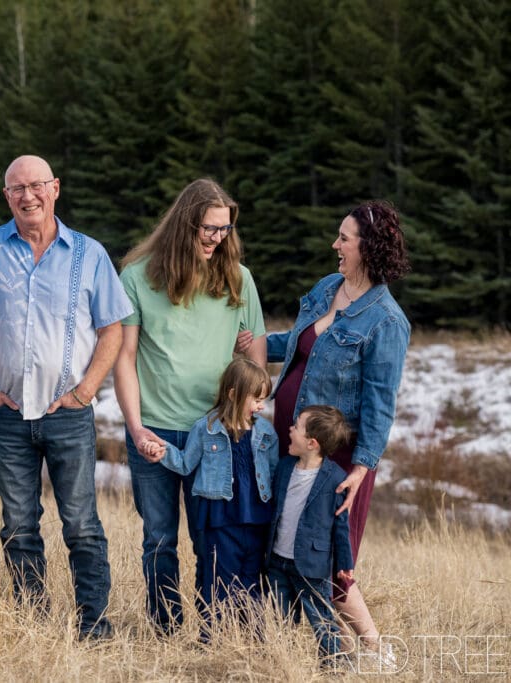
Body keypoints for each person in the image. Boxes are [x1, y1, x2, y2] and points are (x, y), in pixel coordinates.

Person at [0, 154, 134, 640]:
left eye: (37, 185)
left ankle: (93, 622)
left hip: (68, 413)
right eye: (17, 189)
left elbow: (112, 330)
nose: (28, 196)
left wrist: (86, 391)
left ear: (55, 188)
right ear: (6, 196)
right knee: (18, 524)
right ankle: (33, 620)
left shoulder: (89, 253)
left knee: (81, 523)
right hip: (8, 413)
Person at [113, 178, 267, 634]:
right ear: (185, 224)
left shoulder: (238, 278)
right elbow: (124, 357)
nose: (217, 238)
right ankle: (166, 627)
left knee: (210, 539)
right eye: (209, 228)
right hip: (155, 430)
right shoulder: (137, 277)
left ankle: (213, 627)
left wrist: (246, 392)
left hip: (217, 434)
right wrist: (136, 427)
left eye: (225, 229)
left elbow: (256, 360)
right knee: (159, 539)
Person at [262, 200, 410, 659]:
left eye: (344, 238)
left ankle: (377, 651)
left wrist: (361, 469)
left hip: (338, 460)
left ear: (368, 248)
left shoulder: (387, 321)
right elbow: (299, 343)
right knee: (290, 549)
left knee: (329, 563)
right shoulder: (328, 287)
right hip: (294, 445)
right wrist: (252, 343)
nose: (335, 245)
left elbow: (381, 404)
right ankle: (334, 651)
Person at [143, 358, 279, 633]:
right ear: (234, 394)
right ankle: (213, 637)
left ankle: (253, 638)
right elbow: (185, 463)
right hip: (220, 518)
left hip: (256, 517)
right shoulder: (205, 429)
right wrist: (162, 451)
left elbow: (274, 473)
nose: (261, 406)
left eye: (263, 400)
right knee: (219, 579)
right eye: (256, 400)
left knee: (252, 578)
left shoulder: (265, 432)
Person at [265, 405, 355, 668]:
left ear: (312, 443)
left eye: (296, 427)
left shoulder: (336, 478)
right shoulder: (284, 467)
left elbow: (341, 526)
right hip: (278, 559)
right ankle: (283, 662)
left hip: (312, 565)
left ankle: (334, 663)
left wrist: (344, 564)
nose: (290, 429)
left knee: (321, 618)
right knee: (279, 616)